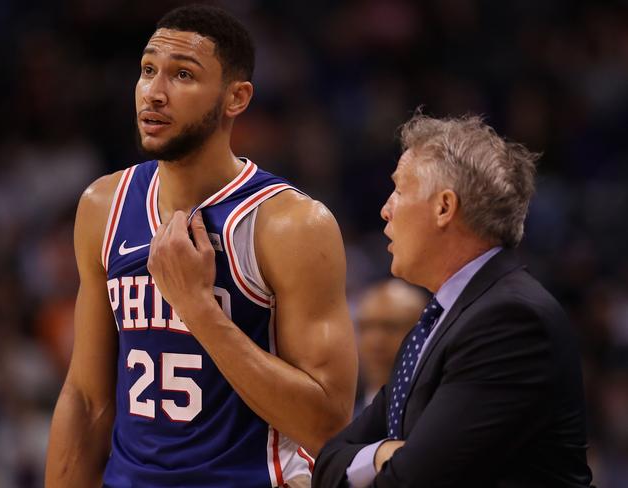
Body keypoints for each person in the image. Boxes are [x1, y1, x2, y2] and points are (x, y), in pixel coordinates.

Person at [45, 5, 357, 488]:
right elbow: (86, 400)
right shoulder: (103, 205)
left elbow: (327, 425)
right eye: (148, 71)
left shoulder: (290, 225)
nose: (154, 92)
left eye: (183, 75)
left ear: (236, 98)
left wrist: (200, 310)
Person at [312, 113, 593, 487]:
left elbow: (411, 481)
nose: (385, 209)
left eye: (398, 190)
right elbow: (328, 460)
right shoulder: (439, 320)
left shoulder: (511, 321)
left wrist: (381, 460)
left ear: (444, 207)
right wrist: (381, 453)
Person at [353, 280, 428, 416]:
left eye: (391, 327)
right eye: (365, 327)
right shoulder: (343, 420)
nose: (375, 342)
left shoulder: (437, 414)